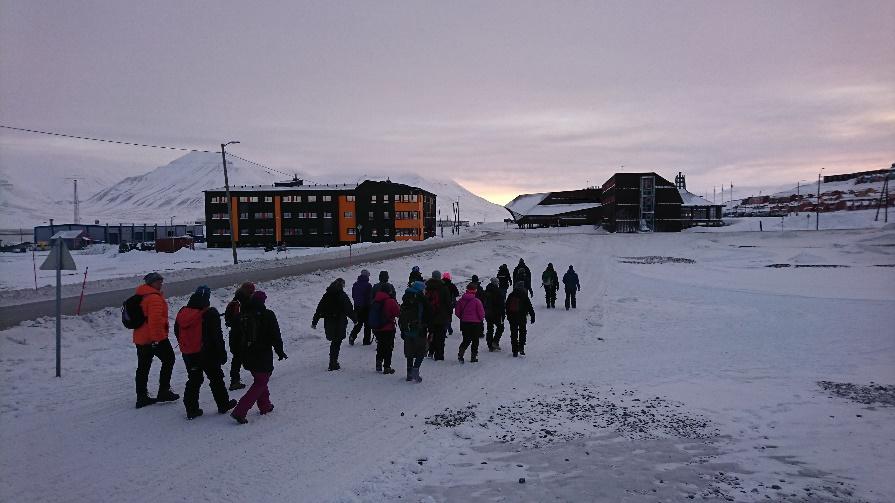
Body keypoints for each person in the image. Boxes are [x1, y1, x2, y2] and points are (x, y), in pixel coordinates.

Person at [174, 286, 237, 420]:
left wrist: (186, 345)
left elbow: (176, 331)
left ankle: (191, 410)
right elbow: (217, 336)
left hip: (189, 353)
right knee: (216, 378)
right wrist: (222, 353)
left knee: (194, 380)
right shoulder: (210, 313)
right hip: (207, 353)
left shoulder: (182, 312)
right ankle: (223, 404)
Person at [231, 291, 287, 424]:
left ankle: (265, 405)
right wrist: (280, 352)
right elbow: (275, 336)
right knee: (261, 381)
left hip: (246, 354)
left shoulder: (242, 315)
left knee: (260, 379)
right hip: (262, 354)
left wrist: (238, 354)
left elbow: (235, 336)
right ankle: (240, 411)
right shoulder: (268, 315)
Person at [133, 272, 179, 409]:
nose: (161, 283)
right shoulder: (154, 298)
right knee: (169, 359)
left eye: (161, 281)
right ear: (151, 283)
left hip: (140, 337)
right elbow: (155, 321)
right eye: (158, 281)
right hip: (154, 337)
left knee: (143, 366)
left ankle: (141, 396)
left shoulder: (141, 295)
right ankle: (164, 391)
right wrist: (157, 340)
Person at [312, 278, 357, 371]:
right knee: (337, 342)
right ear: (341, 285)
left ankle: (333, 361)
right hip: (339, 321)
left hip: (329, 322)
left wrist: (314, 321)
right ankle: (333, 362)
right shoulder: (342, 295)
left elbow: (319, 308)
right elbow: (348, 308)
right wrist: (354, 319)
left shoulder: (327, 295)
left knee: (334, 341)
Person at [224, 282, 255, 391]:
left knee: (237, 357)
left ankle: (235, 379)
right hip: (242, 334)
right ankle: (259, 374)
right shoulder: (245, 303)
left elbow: (228, 321)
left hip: (234, 334)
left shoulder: (234, 302)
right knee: (246, 355)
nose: (253, 294)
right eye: (252, 292)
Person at [400, 281, 431, 382]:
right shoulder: (421, 300)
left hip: (407, 329)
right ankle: (415, 369)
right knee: (422, 350)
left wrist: (402, 329)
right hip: (419, 329)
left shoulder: (406, 298)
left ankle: (409, 373)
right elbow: (427, 314)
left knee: (409, 352)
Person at [370, 287, 401, 374]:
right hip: (388, 327)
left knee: (380, 345)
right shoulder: (390, 301)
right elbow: (398, 313)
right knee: (388, 347)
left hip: (377, 328)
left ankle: (378, 363)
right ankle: (387, 367)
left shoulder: (375, 300)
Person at [455, 282, 485, 363]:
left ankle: (460, 354)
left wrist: (463, 318)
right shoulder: (477, 301)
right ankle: (473, 357)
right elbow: (481, 314)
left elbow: (457, 312)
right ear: (475, 291)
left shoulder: (461, 300)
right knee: (475, 340)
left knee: (466, 339)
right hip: (475, 324)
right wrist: (479, 319)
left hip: (465, 323)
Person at [424, 271, 451, 360]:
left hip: (429, 316)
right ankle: (439, 355)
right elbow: (448, 303)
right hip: (441, 316)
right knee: (440, 336)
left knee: (432, 333)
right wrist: (449, 314)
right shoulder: (443, 288)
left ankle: (430, 351)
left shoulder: (427, 287)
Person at [505, 283, 535, 357]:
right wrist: (532, 315)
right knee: (522, 332)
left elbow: (506, 306)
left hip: (512, 317)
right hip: (522, 317)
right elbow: (529, 306)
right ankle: (521, 347)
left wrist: (508, 316)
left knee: (514, 333)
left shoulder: (511, 295)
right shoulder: (524, 295)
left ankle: (514, 351)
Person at [349, 269, 373, 345]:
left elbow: (353, 295)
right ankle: (366, 341)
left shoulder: (355, 284)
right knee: (367, 325)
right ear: (366, 276)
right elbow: (369, 297)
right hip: (366, 307)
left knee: (358, 324)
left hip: (357, 307)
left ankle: (352, 336)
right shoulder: (368, 285)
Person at [484, 277, 506, 351]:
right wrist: (503, 315)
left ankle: (490, 345)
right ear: (496, 283)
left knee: (490, 329)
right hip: (496, 313)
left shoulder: (486, 291)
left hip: (487, 313)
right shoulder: (498, 291)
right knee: (500, 328)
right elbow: (502, 305)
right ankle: (495, 342)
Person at [442, 272, 460, 336]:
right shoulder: (452, 285)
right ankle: (449, 328)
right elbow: (457, 294)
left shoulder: (441, 285)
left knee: (442, 316)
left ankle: (444, 329)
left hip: (441, 303)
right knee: (449, 316)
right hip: (450, 303)